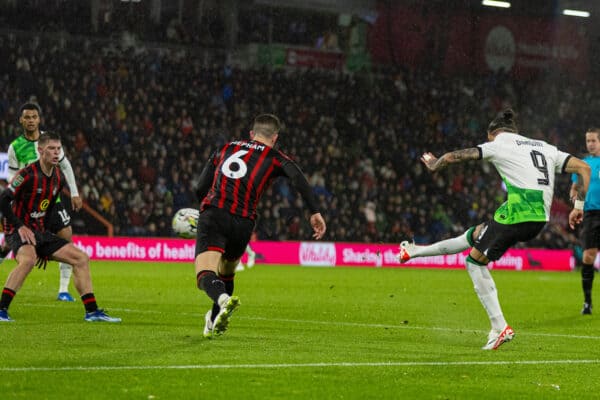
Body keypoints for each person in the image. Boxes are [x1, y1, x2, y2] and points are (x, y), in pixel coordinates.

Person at [398, 109, 590, 350]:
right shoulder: (545, 147)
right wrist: (579, 206)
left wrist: (436, 163)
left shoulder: (498, 144)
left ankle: (500, 327)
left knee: (474, 262)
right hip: (535, 216)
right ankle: (414, 252)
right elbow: (584, 168)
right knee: (475, 235)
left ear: (492, 133)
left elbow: (458, 156)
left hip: (519, 214)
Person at [195, 114, 326, 338]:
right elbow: (298, 178)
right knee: (226, 274)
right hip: (244, 223)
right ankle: (215, 318)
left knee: (205, 274)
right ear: (274, 138)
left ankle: (222, 299)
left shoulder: (225, 148)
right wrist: (314, 211)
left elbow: (200, 188)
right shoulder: (275, 157)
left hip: (216, 213)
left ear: (251, 134)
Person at [0, 132, 120, 323]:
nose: (56, 153)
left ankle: (92, 312)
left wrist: (44, 242)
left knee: (81, 258)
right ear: (40, 150)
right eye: (51, 149)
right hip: (17, 229)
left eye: (58, 149)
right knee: (28, 260)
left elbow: (46, 210)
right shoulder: (26, 175)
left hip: (38, 232)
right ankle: (1, 310)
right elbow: (3, 201)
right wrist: (20, 227)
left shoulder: (58, 177)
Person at [0, 103, 83, 302]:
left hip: (51, 199)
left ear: (39, 119)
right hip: (27, 203)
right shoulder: (15, 147)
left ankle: (63, 290)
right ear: (21, 120)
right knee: (14, 241)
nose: (30, 121)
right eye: (27, 117)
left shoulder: (49, 141)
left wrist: (74, 192)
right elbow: (12, 175)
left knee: (66, 235)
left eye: (34, 117)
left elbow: (66, 165)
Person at [570, 127, 600, 315]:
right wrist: (573, 197)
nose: (590, 144)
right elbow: (574, 188)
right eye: (587, 140)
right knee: (587, 257)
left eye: (593, 140)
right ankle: (587, 302)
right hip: (590, 214)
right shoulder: (582, 164)